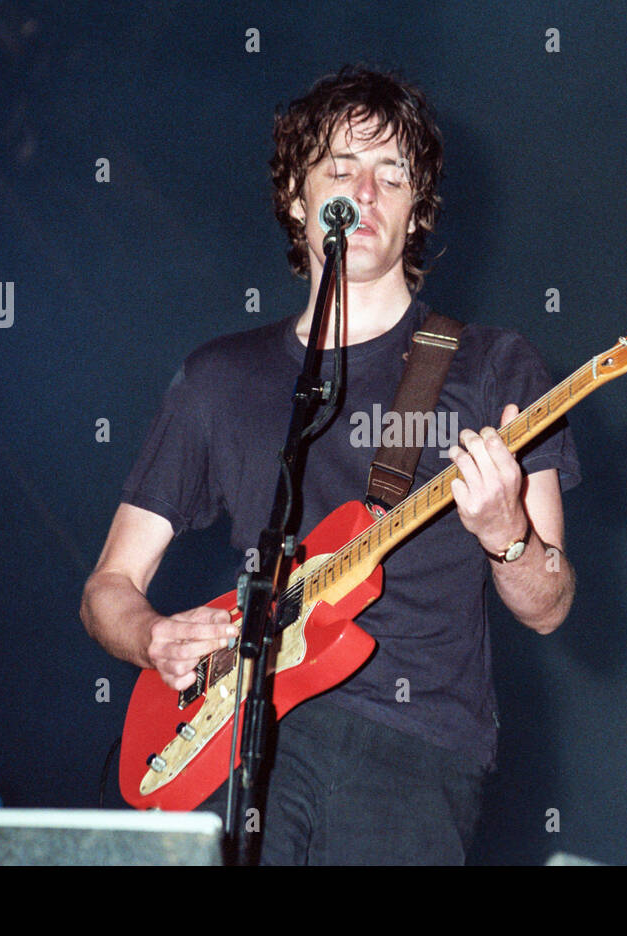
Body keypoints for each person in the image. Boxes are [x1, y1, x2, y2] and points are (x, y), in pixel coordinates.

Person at [80, 65, 580, 864]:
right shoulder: (219, 376)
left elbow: (549, 603)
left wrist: (506, 534)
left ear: (417, 210)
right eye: (341, 170)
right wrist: (153, 638)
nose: (368, 194)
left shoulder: (492, 366)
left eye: (394, 176)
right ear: (295, 197)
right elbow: (108, 588)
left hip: (410, 753)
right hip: (238, 738)